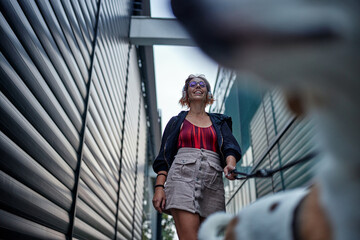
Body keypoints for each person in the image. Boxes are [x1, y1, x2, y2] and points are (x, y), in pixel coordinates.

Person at [152, 74, 242, 240]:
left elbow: (230, 147)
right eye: (193, 84)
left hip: (212, 185)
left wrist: (230, 164)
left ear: (208, 93)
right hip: (181, 180)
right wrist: (159, 188)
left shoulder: (220, 122)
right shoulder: (176, 122)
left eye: (202, 84)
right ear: (186, 93)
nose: (198, 86)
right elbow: (164, 158)